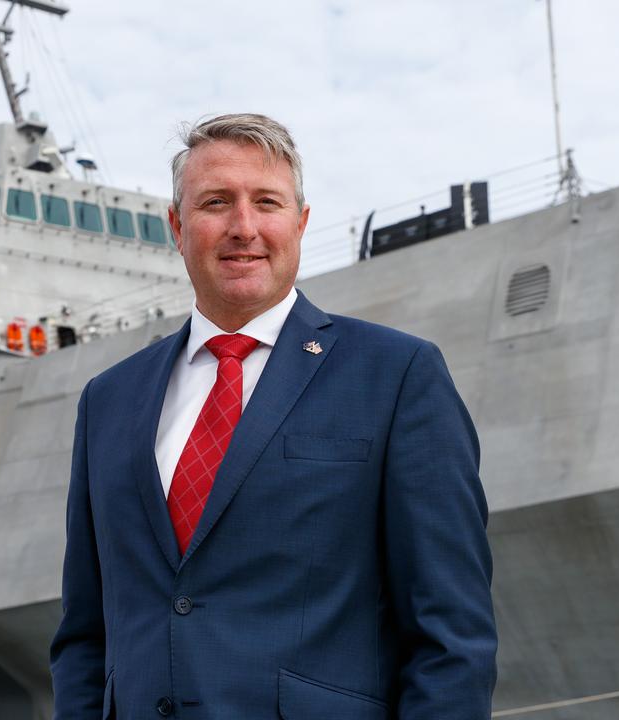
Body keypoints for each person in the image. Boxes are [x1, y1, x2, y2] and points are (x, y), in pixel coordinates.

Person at [50, 113, 497, 719]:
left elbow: (452, 635)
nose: (244, 227)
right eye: (215, 202)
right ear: (178, 228)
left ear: (300, 222)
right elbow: (85, 632)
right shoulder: (108, 400)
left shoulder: (396, 375)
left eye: (267, 202)